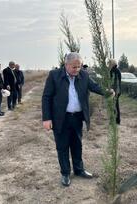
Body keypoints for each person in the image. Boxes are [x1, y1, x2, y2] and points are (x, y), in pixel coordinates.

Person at [42, 52, 112, 187]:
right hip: (60, 118)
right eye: (74, 67)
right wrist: (46, 118)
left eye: (79, 66)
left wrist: (108, 91)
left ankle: (79, 170)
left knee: (77, 145)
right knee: (62, 147)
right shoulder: (54, 75)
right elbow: (46, 97)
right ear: (66, 64)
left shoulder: (84, 75)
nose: (77, 69)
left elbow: (95, 87)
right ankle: (65, 173)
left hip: (77, 118)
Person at [109, 59, 121, 124]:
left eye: (109, 63)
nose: (108, 64)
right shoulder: (117, 70)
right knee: (115, 105)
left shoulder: (113, 71)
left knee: (115, 105)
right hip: (117, 90)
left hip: (115, 91)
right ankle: (116, 120)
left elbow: (115, 82)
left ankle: (116, 120)